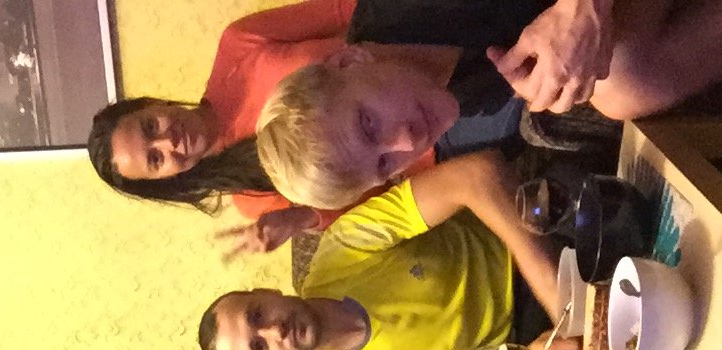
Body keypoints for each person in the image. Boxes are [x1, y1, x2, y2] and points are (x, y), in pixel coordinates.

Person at [198, 151, 588, 350]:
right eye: (260, 347)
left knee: (581, 204)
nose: (274, 330)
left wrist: (554, 289)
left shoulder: (342, 245)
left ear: (267, 292)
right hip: (527, 338)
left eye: (258, 315)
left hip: (522, 241)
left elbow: (476, 174)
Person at [258, 0, 722, 209]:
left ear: (348, 60)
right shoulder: (446, 97)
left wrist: (583, 8)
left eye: (368, 123)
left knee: (625, 80)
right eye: (384, 165)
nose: (406, 140)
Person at [87, 0, 388, 257]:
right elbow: (377, 201)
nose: (168, 141)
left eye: (151, 126)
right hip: (413, 150)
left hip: (404, 48)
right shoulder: (253, 198)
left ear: (153, 104)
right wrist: (301, 218)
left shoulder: (237, 46)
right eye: (155, 159)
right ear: (166, 178)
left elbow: (346, 8)